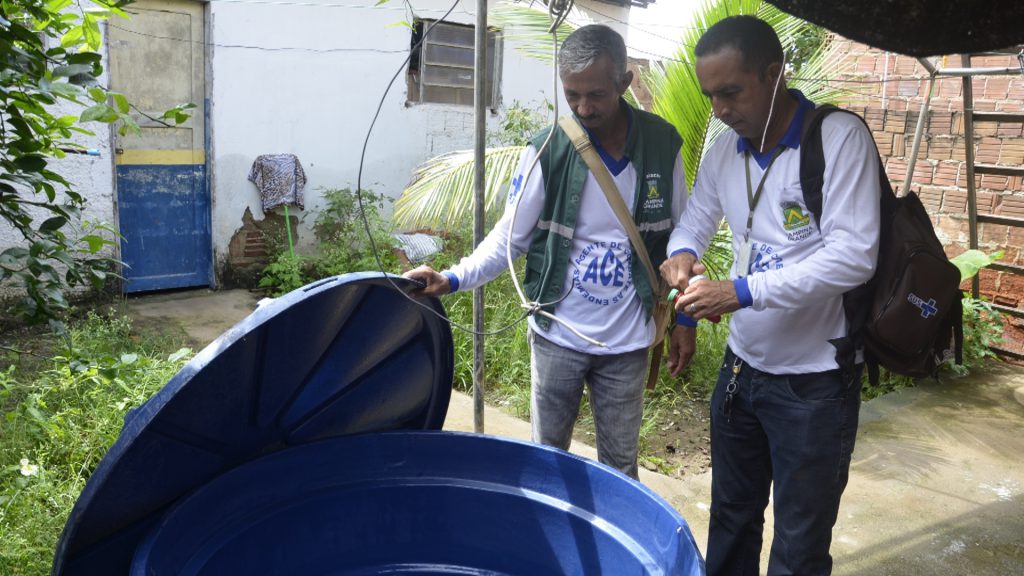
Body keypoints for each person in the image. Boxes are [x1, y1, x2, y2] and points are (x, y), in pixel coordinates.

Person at [405, 24, 692, 479]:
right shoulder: (548, 149)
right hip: (557, 336)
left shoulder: (662, 145)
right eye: (571, 94)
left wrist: (687, 318)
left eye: (595, 94)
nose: (582, 107)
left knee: (621, 466)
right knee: (546, 460)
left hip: (629, 342)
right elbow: (509, 236)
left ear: (624, 81)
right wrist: (453, 278)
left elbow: (685, 237)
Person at [659, 15, 881, 575]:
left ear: (775, 73)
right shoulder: (724, 149)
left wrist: (742, 290)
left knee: (799, 544)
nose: (720, 109)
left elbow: (855, 256)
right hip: (741, 375)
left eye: (731, 92)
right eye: (710, 96)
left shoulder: (837, 138)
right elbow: (694, 222)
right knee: (731, 520)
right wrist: (682, 254)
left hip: (815, 384)